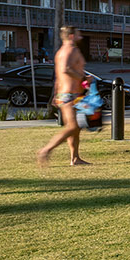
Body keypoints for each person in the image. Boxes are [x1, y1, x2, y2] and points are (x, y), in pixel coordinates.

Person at [38, 26, 90, 166]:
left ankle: (75, 158)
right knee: (73, 127)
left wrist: (56, 95)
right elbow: (65, 69)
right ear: (72, 36)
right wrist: (83, 78)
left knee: (75, 128)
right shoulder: (71, 50)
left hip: (65, 94)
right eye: (79, 34)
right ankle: (46, 150)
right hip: (70, 95)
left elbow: (58, 75)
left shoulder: (60, 52)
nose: (81, 37)